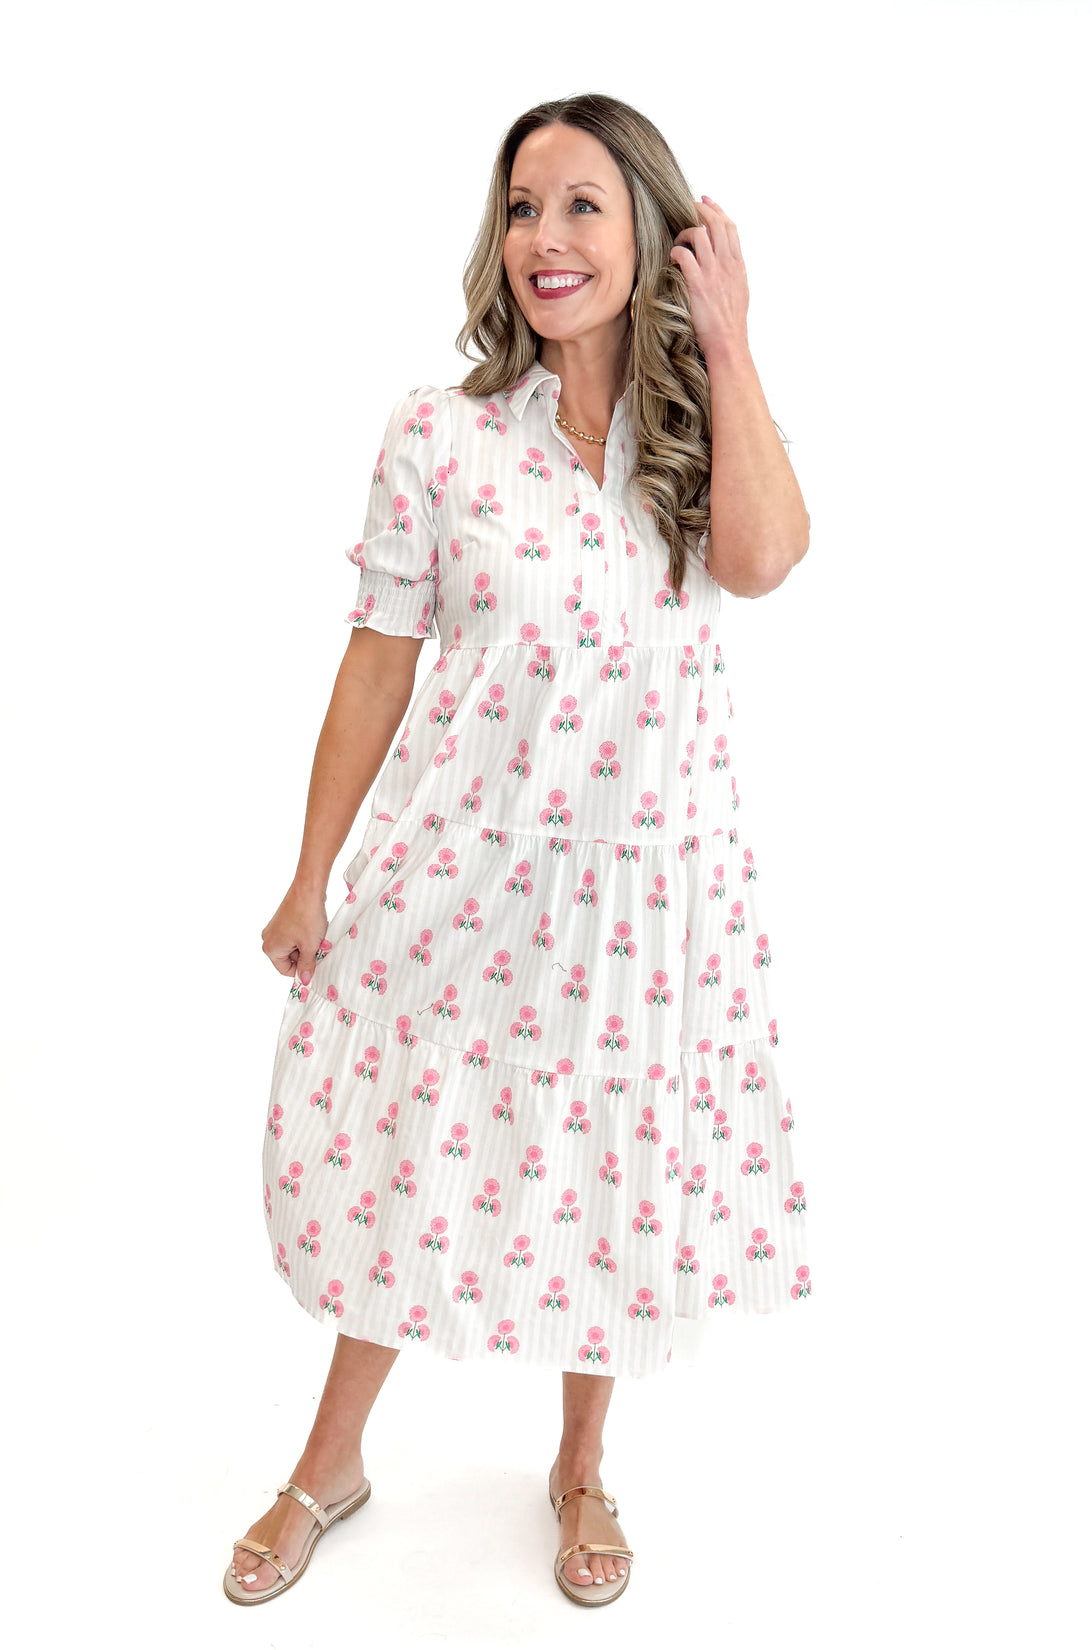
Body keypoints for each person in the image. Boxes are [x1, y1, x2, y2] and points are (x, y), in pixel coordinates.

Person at [224, 91, 813, 1610]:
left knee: (611, 1167)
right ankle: (328, 1462)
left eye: (581, 206)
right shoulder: (441, 434)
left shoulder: (694, 439)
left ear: (653, 235)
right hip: (468, 873)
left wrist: (730, 340)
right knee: (416, 1151)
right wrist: (310, 871)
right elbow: (379, 657)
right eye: (523, 208)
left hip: (646, 891)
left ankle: (580, 1464)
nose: (545, 238)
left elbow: (762, 562)